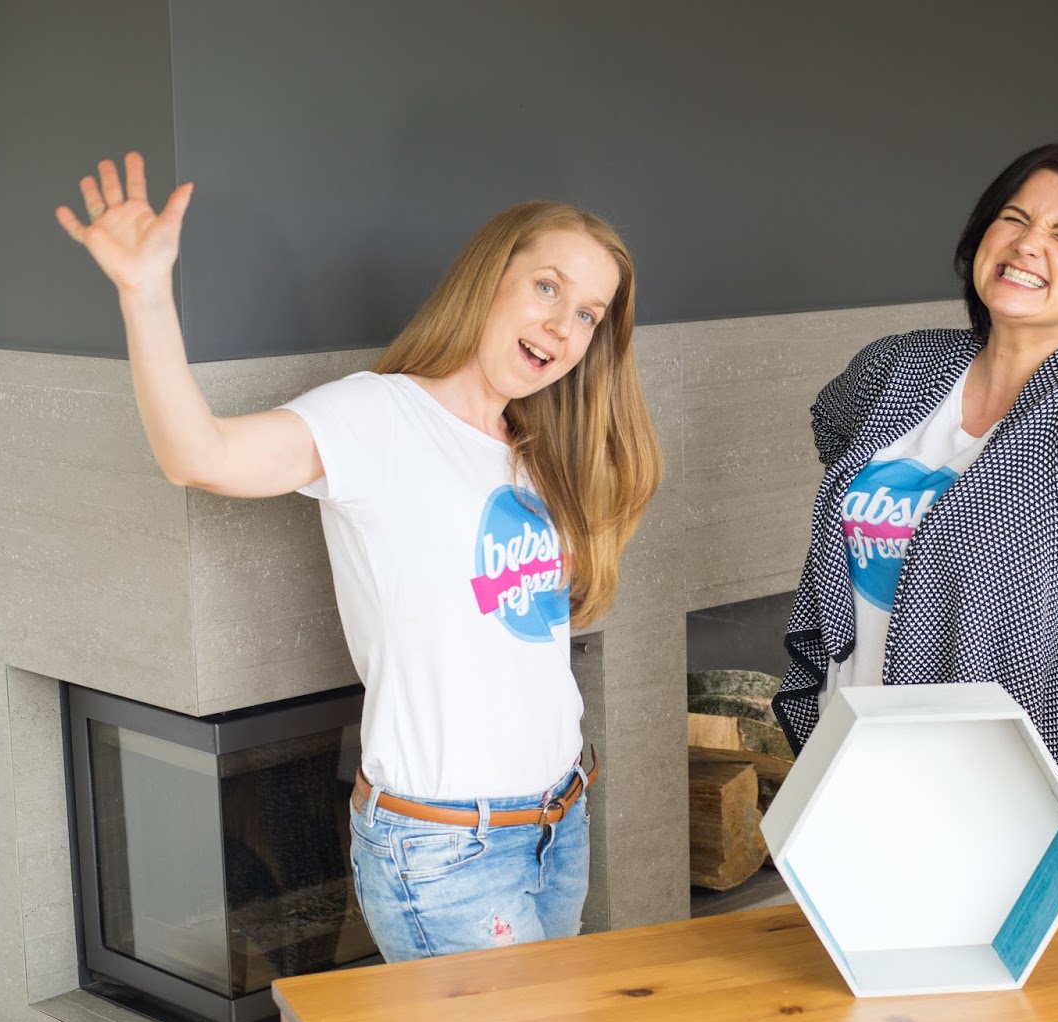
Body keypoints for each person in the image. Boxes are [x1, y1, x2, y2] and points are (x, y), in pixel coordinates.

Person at [56, 153, 662, 961]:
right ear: (488, 278)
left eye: (588, 313)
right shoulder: (379, 418)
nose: (563, 325)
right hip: (449, 850)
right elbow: (200, 456)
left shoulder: (534, 447)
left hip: (559, 821)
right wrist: (145, 294)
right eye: (547, 287)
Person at [772, 142, 1058, 877]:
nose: (1028, 244)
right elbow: (834, 434)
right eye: (1014, 218)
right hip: (848, 763)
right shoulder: (897, 366)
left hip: (1007, 797)